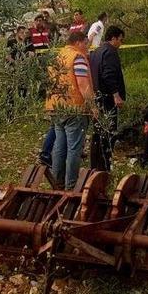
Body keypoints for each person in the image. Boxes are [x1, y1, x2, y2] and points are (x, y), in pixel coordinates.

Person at [46, 31, 95, 190]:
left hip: (56, 108)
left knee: (60, 146)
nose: (87, 47)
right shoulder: (77, 57)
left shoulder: (57, 56)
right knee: (74, 148)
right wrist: (93, 106)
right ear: (79, 42)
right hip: (74, 109)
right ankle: (71, 185)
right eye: (86, 43)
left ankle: (57, 182)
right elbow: (82, 84)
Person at [89, 26, 126, 171]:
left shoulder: (97, 51)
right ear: (114, 38)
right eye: (120, 40)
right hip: (107, 98)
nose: (121, 43)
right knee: (109, 132)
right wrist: (116, 94)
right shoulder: (110, 52)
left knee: (97, 132)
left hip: (97, 96)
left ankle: (95, 165)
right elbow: (108, 75)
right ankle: (105, 166)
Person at [5, 26, 33, 118]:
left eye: (25, 33)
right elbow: (7, 55)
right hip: (12, 68)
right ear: (17, 33)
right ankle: (10, 113)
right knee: (10, 90)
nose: (23, 35)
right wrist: (15, 63)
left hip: (23, 69)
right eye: (21, 32)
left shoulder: (28, 42)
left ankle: (23, 110)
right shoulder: (11, 42)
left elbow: (32, 53)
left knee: (23, 89)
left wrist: (28, 59)